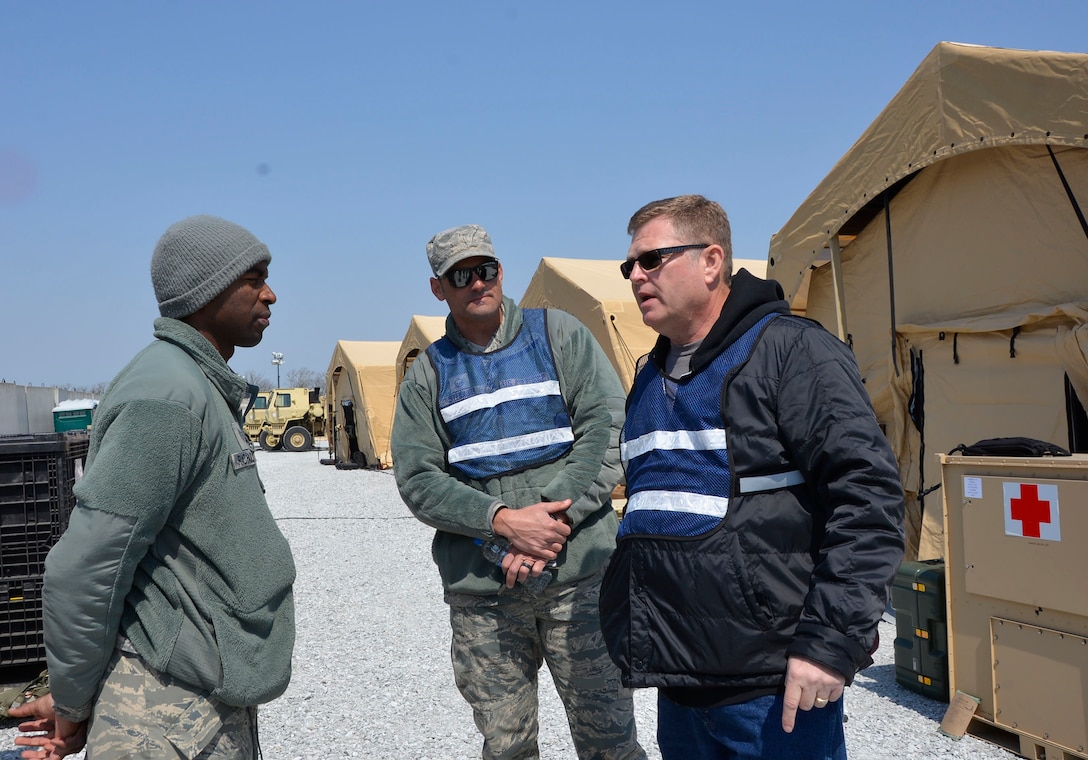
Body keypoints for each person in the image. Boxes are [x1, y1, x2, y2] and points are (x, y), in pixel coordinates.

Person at [598, 195, 905, 760]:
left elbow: (869, 503)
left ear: (712, 261)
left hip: (771, 693)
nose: (635, 276)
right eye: (629, 266)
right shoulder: (651, 375)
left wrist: (829, 646)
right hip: (681, 688)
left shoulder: (791, 353)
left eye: (652, 259)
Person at [22, 215, 296, 759]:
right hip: (164, 719)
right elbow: (87, 565)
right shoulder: (166, 397)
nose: (271, 293)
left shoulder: (195, 383)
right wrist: (74, 705)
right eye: (254, 278)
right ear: (206, 290)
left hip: (194, 709)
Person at [391, 224, 646, 760]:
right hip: (484, 594)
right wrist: (503, 522)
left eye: (486, 269)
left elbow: (606, 428)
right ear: (438, 288)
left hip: (580, 580)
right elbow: (418, 480)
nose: (477, 283)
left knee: (611, 744)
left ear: (500, 270)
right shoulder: (429, 375)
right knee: (507, 746)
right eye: (460, 275)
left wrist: (548, 523)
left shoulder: (560, 335)